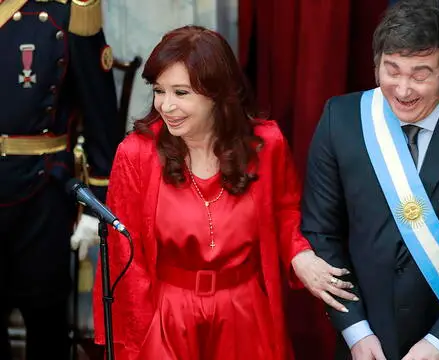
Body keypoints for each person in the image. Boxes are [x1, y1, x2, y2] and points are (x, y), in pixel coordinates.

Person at [92, 25, 351, 360]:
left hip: (244, 311)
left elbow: (285, 212)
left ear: (217, 93)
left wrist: (299, 254)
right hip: (167, 314)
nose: (166, 106)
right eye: (159, 91)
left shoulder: (266, 145)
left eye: (181, 93)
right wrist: (133, 338)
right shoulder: (136, 153)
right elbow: (121, 253)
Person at [300, 1, 439, 359]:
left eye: (420, 75)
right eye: (392, 70)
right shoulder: (340, 120)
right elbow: (321, 231)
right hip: (366, 341)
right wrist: (356, 331)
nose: (403, 89)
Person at [0, 0, 120, 359]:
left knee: (46, 318)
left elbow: (100, 111)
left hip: (41, 192)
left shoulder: (68, 9)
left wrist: (96, 203)